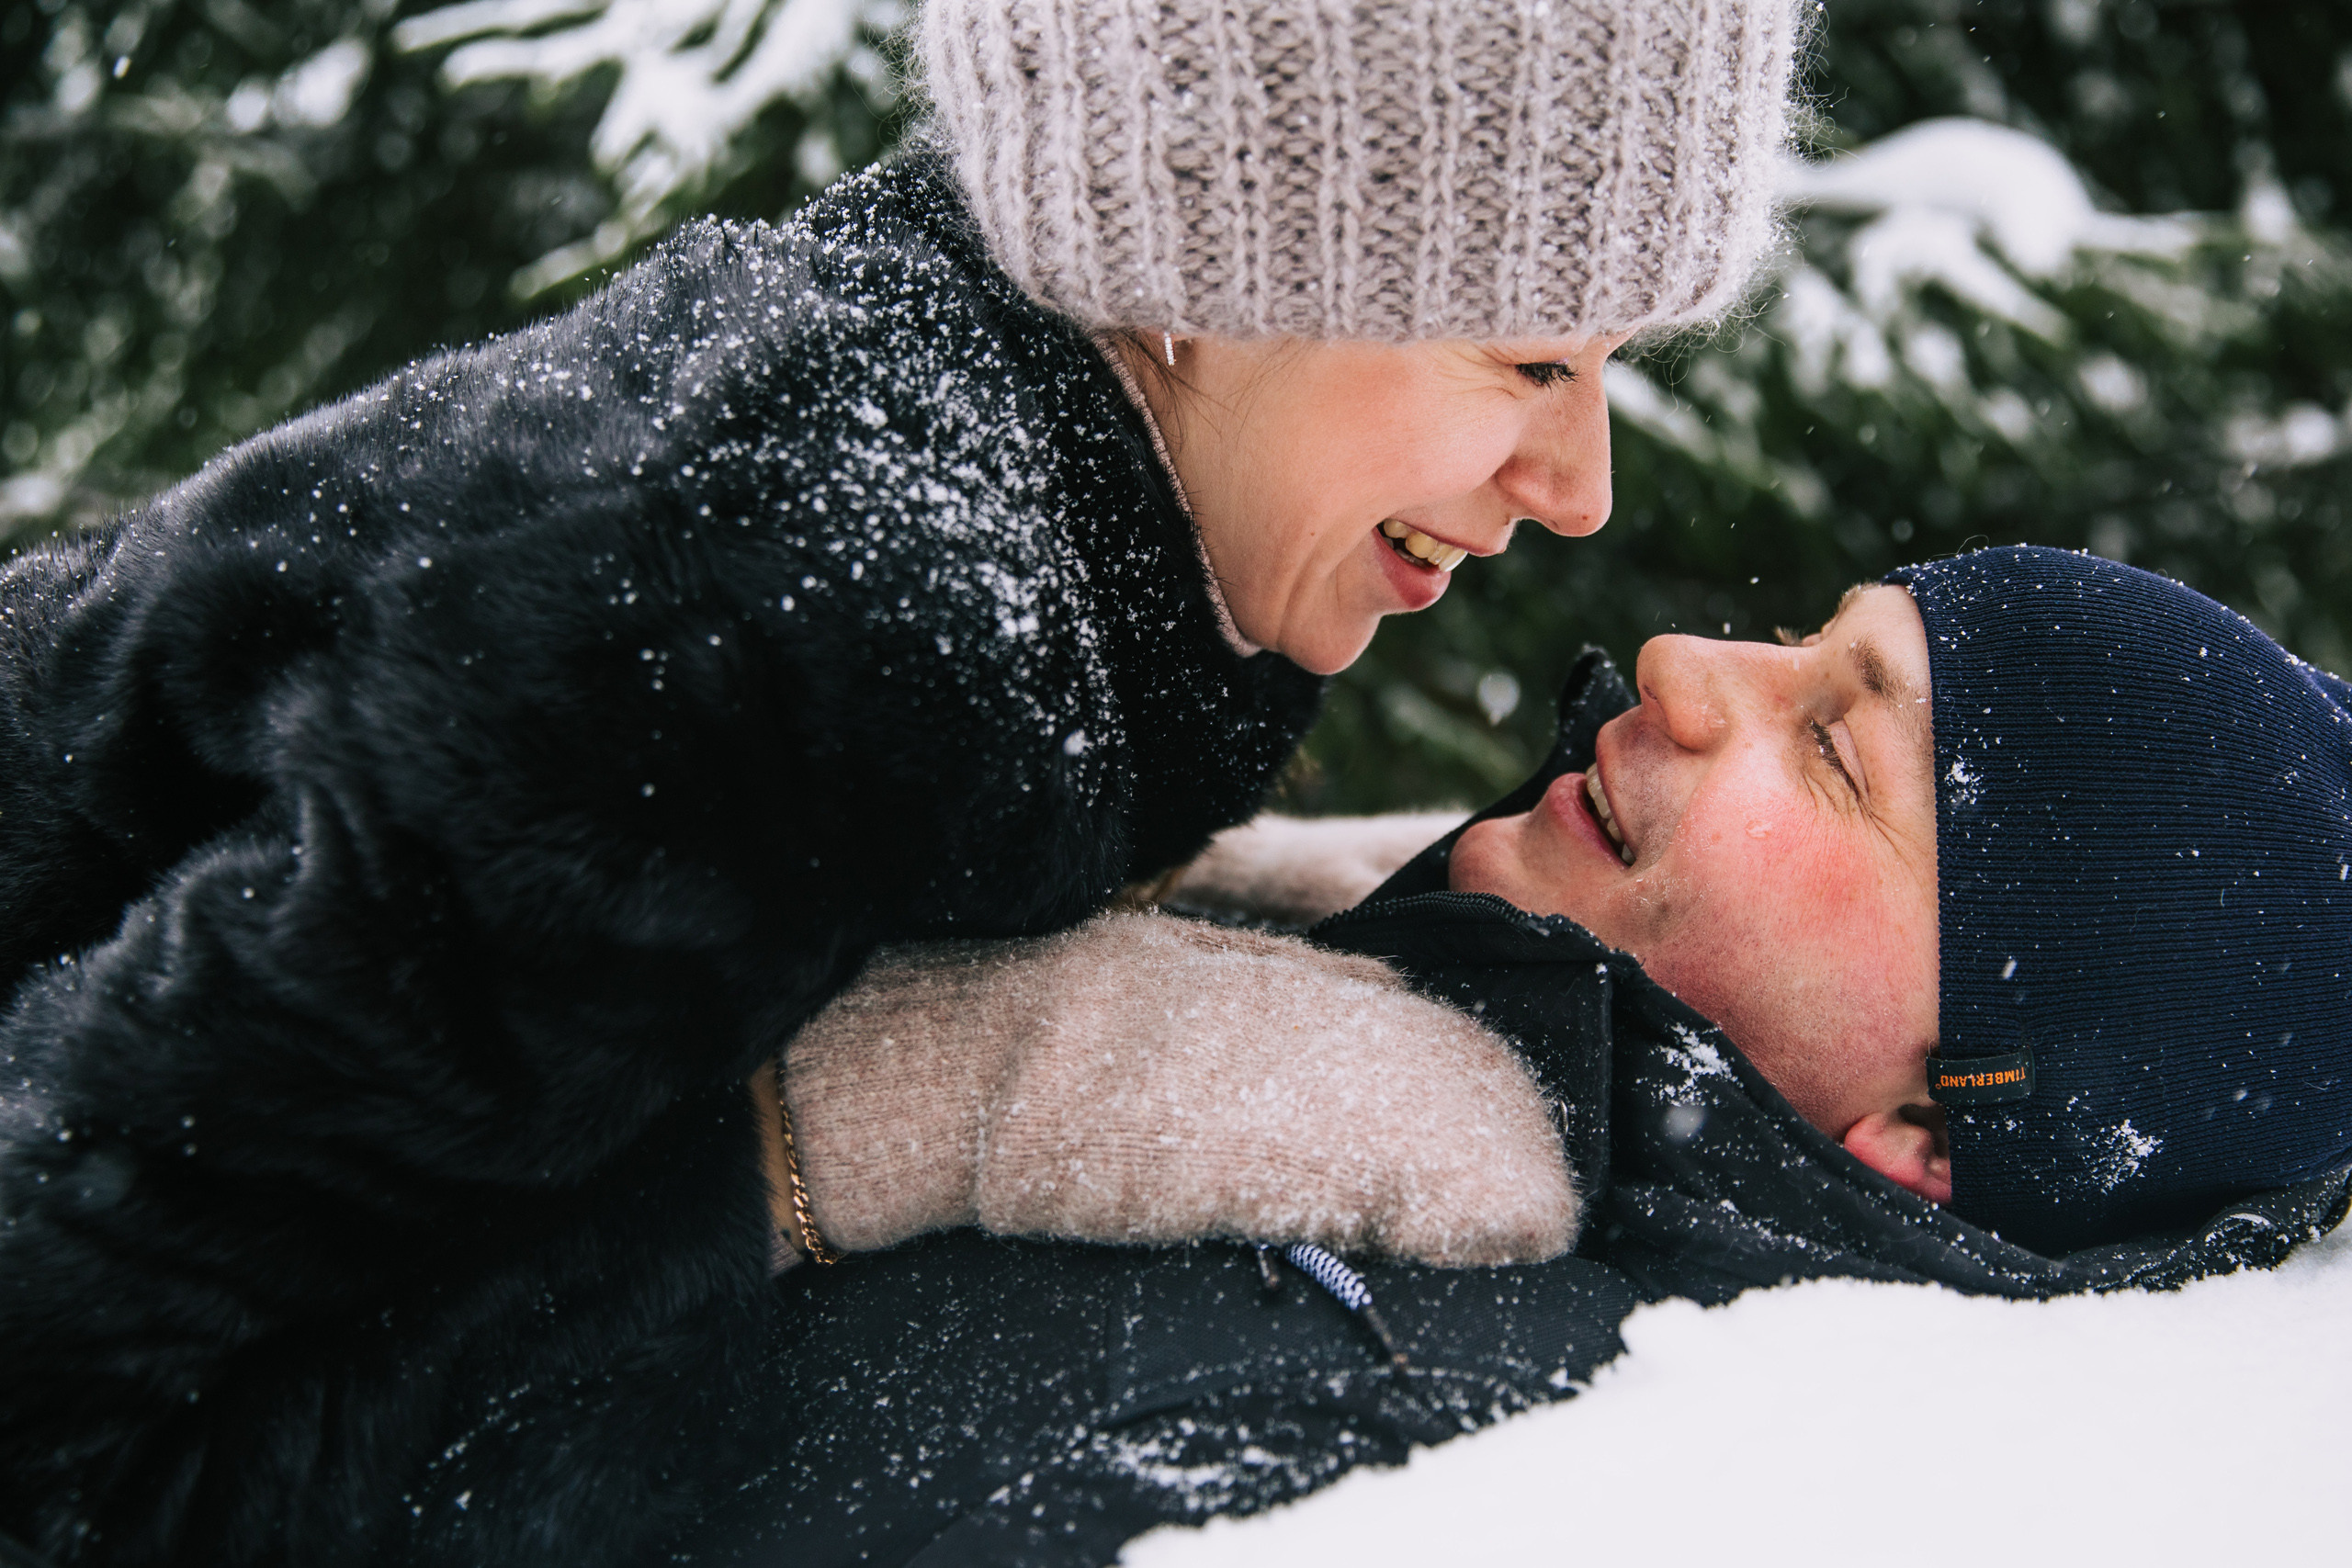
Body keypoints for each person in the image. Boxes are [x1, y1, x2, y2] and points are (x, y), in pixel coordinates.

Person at [0, 6, 1807, 1563]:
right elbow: (110, 1249)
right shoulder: (820, 616)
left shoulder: (1011, 476)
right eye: (1532, 358)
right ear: (1202, 266)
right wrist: (837, 1147)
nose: (1580, 485)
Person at [646, 547, 2352, 1566]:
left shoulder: (1446, 1464)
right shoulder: (1238, 972)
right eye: (1804, 648)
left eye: (1835, 750)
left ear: (1935, 1127)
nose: (1685, 667)